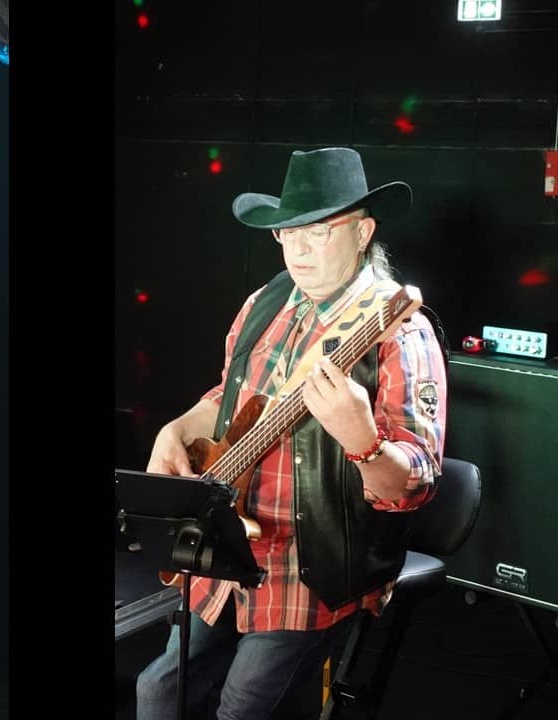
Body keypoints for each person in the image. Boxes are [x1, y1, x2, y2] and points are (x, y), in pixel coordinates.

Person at [135, 147, 447, 720]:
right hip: (227, 544)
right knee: (156, 692)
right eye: (287, 232)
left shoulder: (400, 332)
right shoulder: (265, 301)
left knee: (242, 708)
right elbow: (228, 398)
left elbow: (415, 485)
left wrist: (362, 440)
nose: (299, 249)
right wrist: (176, 429)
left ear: (363, 232)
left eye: (320, 232)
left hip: (310, 566)